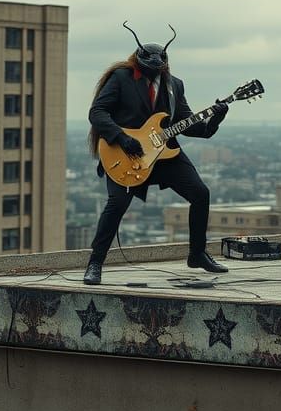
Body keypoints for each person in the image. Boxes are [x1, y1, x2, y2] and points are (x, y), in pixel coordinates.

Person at [83, 23, 229, 285]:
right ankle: (95, 263)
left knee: (200, 193)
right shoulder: (120, 78)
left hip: (165, 155)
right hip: (126, 153)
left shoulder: (175, 85)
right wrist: (122, 138)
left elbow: (195, 128)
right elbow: (97, 113)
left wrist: (216, 118)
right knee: (116, 206)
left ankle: (197, 254)